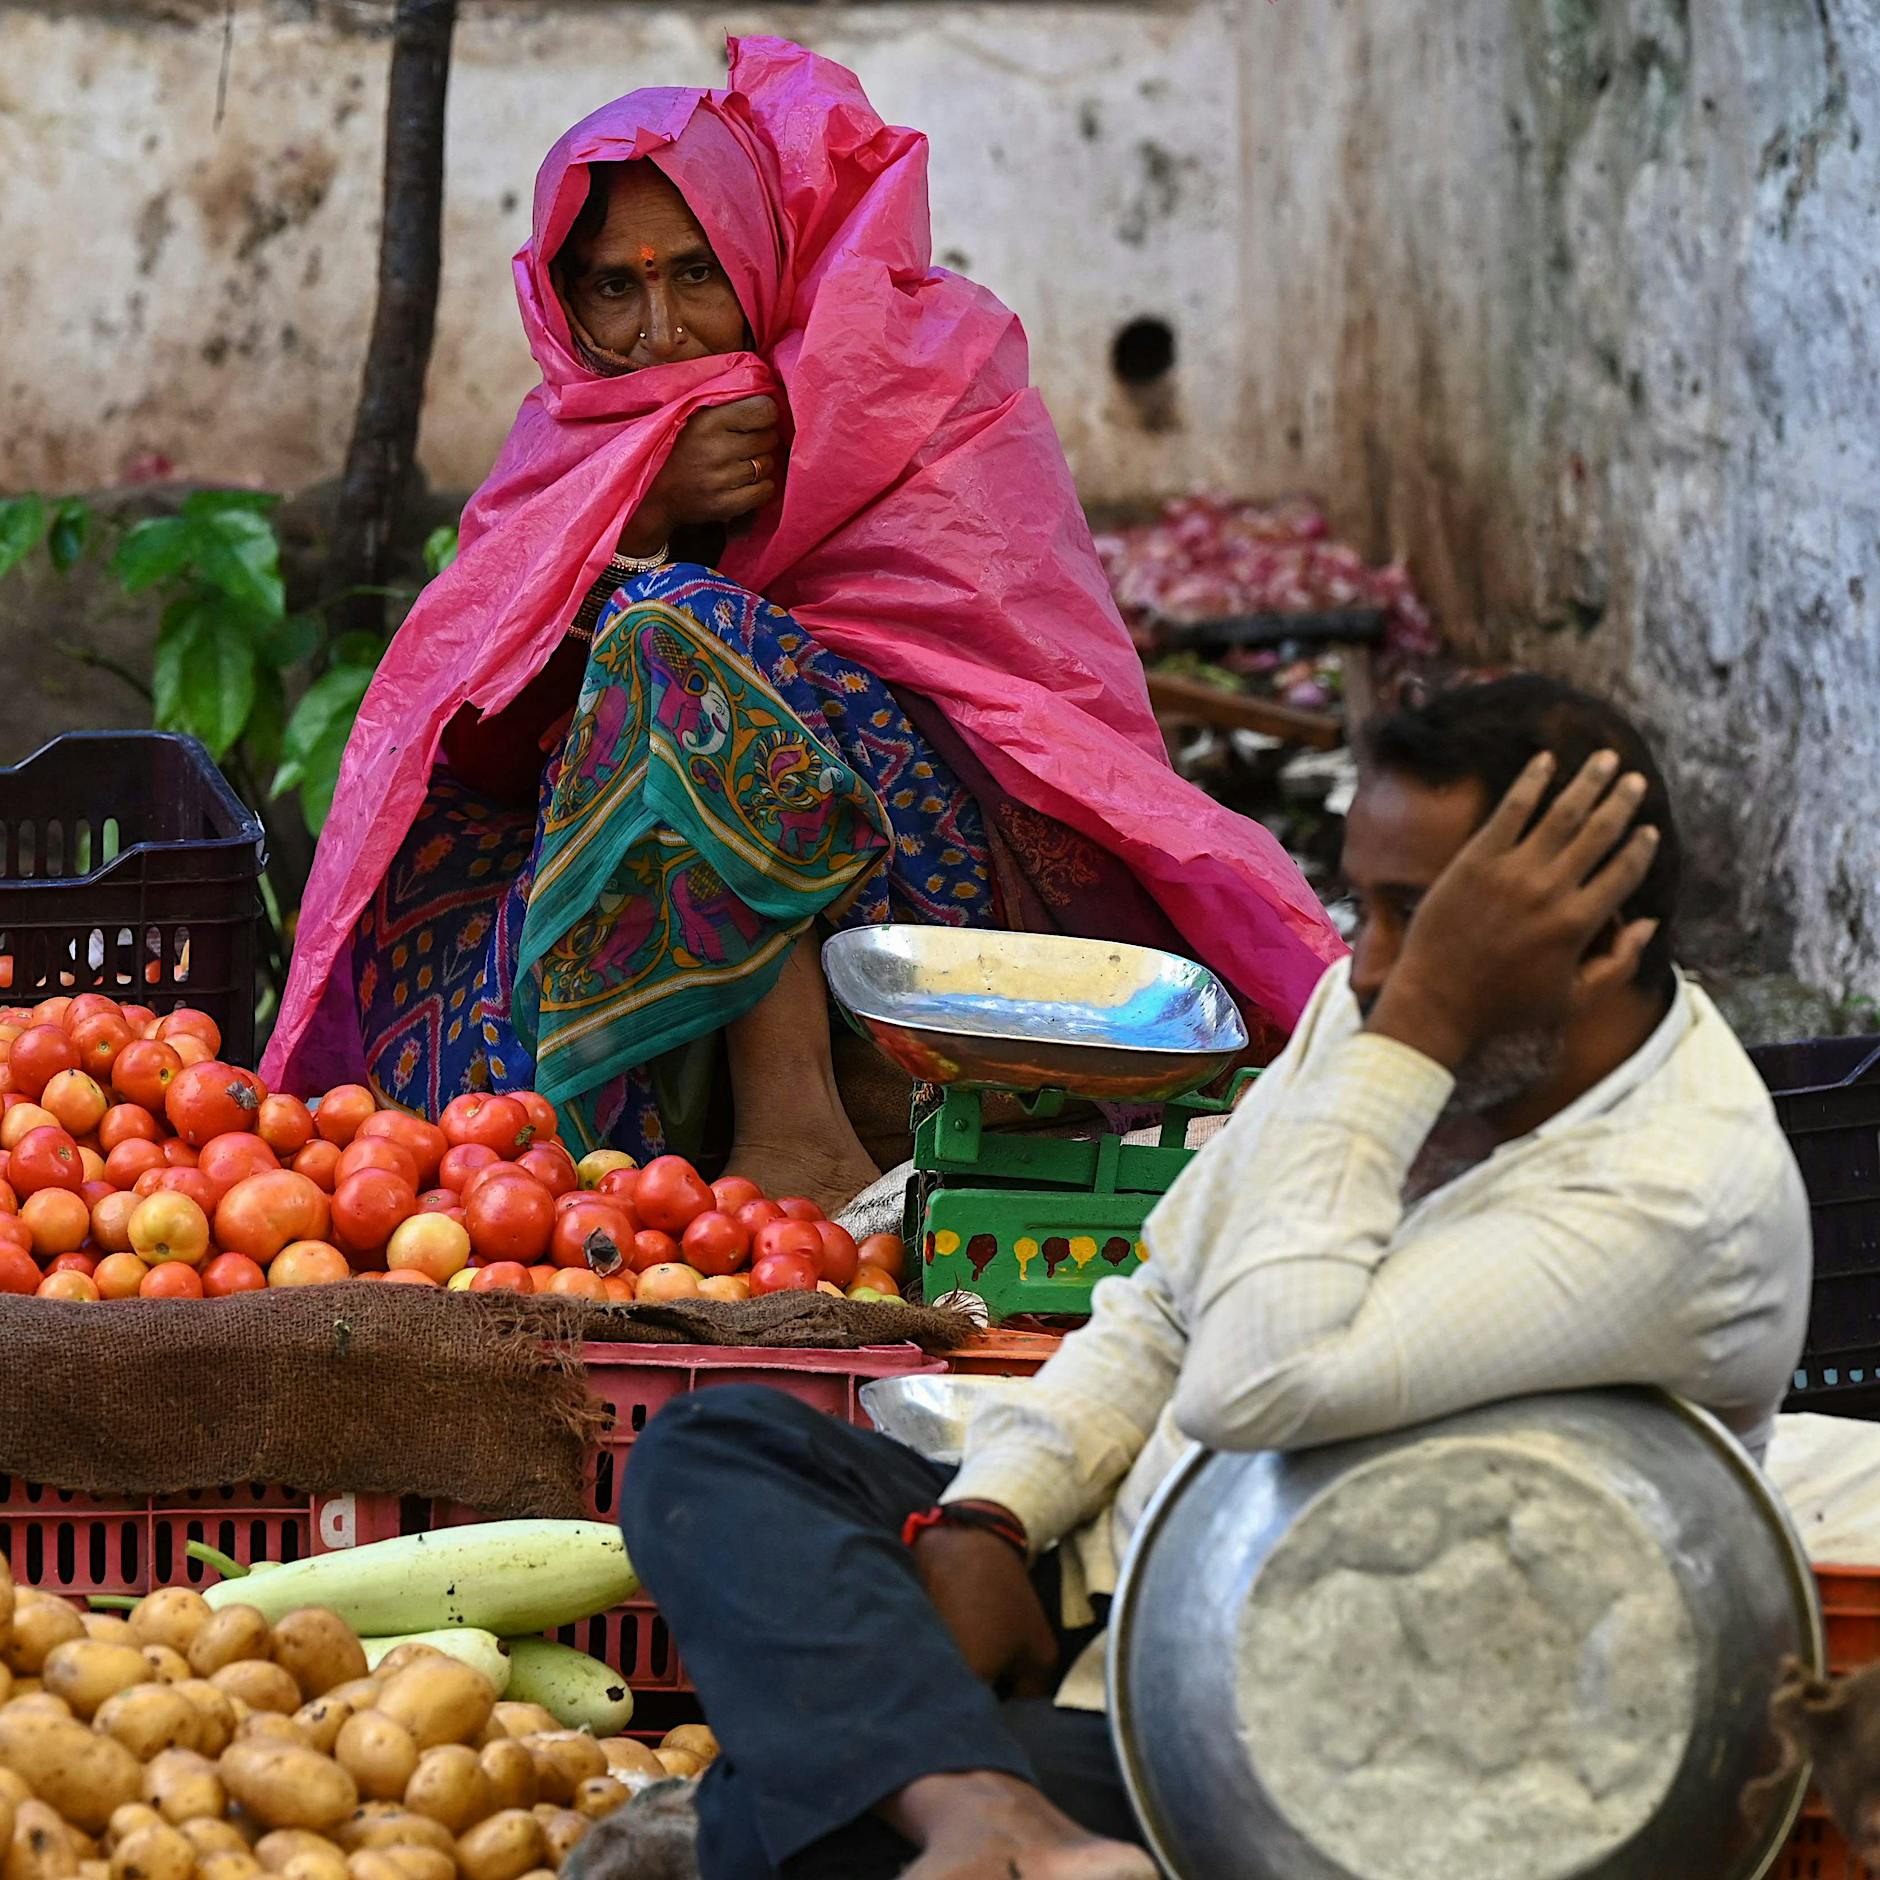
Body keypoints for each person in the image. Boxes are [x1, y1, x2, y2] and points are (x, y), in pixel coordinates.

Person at [619, 674, 1812, 1879]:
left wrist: (1416, 1034)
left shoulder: (1672, 1192)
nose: (1369, 967)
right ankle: (986, 1811)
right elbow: (1163, 1299)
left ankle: (924, 1783)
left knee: (771, 1823)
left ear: (1600, 937)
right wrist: (993, 1514)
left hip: (1325, 1713)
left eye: (1426, 924)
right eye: (1369, 910)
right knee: (713, 1452)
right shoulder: (1390, 1013)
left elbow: (1255, 1381)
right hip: (1131, 1567)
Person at [259, 38, 1341, 1207]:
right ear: (562, 299)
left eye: (692, 274)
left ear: (758, 262)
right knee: (447, 848)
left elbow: (1023, 692)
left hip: (943, 863)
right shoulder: (574, 441)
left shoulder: (914, 372)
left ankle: (800, 1126)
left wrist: (686, 595)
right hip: (668, 853)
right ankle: (583, 1147)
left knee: (677, 635)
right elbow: (479, 733)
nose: (656, 331)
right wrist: (645, 509)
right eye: (612, 288)